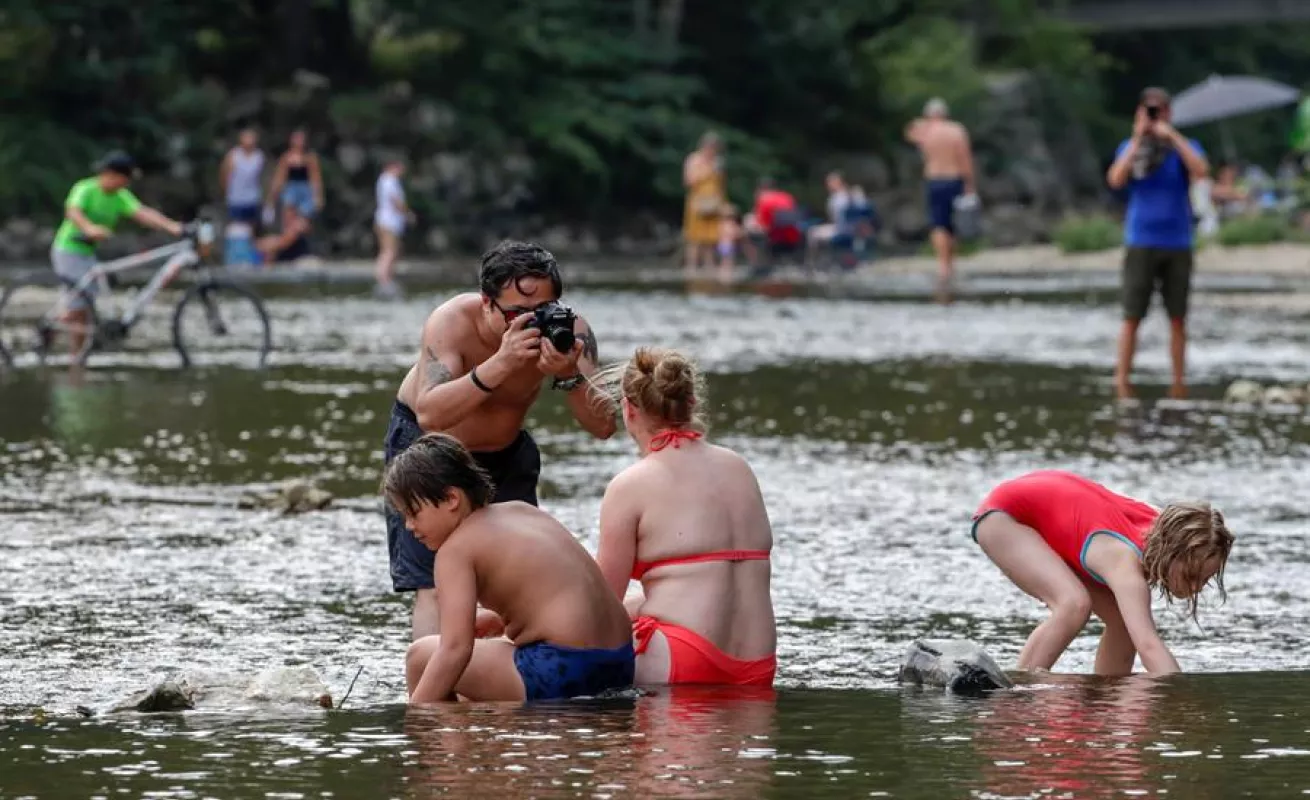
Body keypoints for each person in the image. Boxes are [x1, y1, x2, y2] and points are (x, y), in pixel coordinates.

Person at [384, 240, 616, 642]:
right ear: (486, 303)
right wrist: (501, 364)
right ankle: (431, 690)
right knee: (436, 584)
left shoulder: (570, 331)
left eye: (541, 312)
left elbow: (604, 426)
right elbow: (429, 414)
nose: (530, 324)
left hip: (506, 451)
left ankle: (502, 681)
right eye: (516, 314)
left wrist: (570, 377)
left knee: (516, 577)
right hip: (433, 450)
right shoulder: (452, 322)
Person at [387, 434, 635, 702]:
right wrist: (498, 619)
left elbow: (455, 650)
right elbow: (553, 588)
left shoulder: (454, 551)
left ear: (451, 499)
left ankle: (439, 743)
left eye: (413, 513)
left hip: (564, 670)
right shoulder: (520, 511)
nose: (410, 527)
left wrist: (411, 720)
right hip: (620, 662)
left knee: (420, 657)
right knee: (466, 684)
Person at [594, 347, 777, 687]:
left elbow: (599, 606)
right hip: (757, 664)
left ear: (628, 409)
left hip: (681, 657)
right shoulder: (739, 468)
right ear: (692, 402)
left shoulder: (630, 485)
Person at [971, 469, 1233, 676]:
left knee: (1123, 621)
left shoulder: (1166, 531)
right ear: (1172, 553)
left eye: (1205, 579)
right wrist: (1179, 698)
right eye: (1192, 576)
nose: (1197, 587)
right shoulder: (1125, 564)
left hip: (1048, 503)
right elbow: (1149, 645)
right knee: (1073, 604)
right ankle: (1021, 685)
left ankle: (1109, 691)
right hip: (1004, 518)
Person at [1106, 87, 1209, 401]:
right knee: (1131, 315)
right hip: (1141, 240)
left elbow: (1201, 172)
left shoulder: (1185, 147)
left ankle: (1178, 381)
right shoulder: (1131, 147)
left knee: (1178, 316)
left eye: (1159, 111)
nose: (1155, 116)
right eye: (1149, 111)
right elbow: (1116, 179)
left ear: (1169, 113)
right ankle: (1122, 380)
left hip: (1177, 241)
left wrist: (1172, 137)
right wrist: (1139, 137)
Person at [49, 151, 184, 357]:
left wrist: (171, 226)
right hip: (68, 250)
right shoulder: (86, 188)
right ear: (112, 174)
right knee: (79, 306)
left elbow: (143, 213)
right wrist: (89, 228)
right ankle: (50, 328)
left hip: (88, 253)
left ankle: (76, 358)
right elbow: (73, 211)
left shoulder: (120, 196)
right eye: (125, 178)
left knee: (85, 309)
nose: (127, 183)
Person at [904, 98, 976, 303]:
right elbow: (965, 157)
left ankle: (942, 265)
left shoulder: (925, 132)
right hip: (954, 179)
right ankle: (950, 264)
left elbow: (909, 132)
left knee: (938, 223)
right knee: (954, 223)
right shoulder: (956, 130)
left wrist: (923, 122)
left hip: (934, 179)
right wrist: (970, 183)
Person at [682, 132, 726, 273]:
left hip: (713, 201)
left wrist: (723, 202)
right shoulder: (694, 159)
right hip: (697, 201)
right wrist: (708, 170)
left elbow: (721, 184)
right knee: (695, 236)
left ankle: (710, 266)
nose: (712, 151)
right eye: (710, 147)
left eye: (715, 148)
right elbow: (689, 181)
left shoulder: (717, 161)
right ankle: (692, 266)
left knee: (711, 236)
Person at [374, 159, 415, 299]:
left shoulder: (384, 180)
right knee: (389, 251)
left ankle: (387, 278)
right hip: (389, 222)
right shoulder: (389, 180)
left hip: (387, 222)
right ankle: (384, 280)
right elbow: (395, 200)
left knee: (392, 250)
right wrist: (407, 214)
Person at [265, 128, 324, 222]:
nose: (299, 142)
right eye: (297, 139)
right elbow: (279, 179)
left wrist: (318, 196)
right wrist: (271, 201)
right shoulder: (286, 157)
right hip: (290, 188)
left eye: (301, 139)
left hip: (306, 188)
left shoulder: (310, 158)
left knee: (304, 217)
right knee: (289, 213)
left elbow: (315, 178)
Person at [218, 128, 266, 226]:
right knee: (237, 229)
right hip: (236, 200)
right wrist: (227, 191)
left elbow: (261, 177)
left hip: (253, 199)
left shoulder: (259, 156)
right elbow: (224, 175)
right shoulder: (233, 155)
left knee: (253, 229)